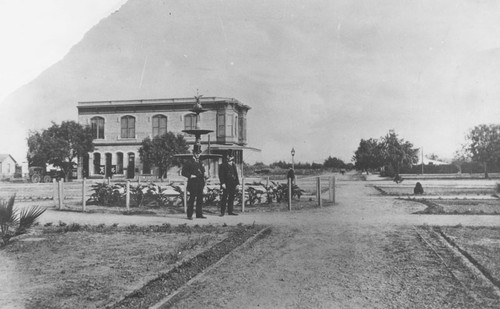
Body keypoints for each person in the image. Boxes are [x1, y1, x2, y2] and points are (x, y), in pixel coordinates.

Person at [181, 146, 207, 220]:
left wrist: (205, 175)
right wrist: (190, 175)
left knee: (200, 199)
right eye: (196, 153)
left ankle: (199, 214)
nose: (198, 155)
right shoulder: (189, 162)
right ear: (193, 153)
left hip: (200, 183)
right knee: (192, 199)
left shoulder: (200, 162)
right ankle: (189, 215)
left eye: (199, 153)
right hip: (193, 183)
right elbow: (183, 172)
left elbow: (203, 171)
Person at [218, 151, 239, 216]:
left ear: (233, 157)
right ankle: (222, 212)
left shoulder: (233, 165)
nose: (229, 158)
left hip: (233, 183)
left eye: (231, 156)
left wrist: (237, 183)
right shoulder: (223, 165)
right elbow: (221, 175)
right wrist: (222, 183)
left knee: (231, 197)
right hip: (226, 184)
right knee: (224, 197)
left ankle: (230, 211)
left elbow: (236, 175)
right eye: (228, 156)